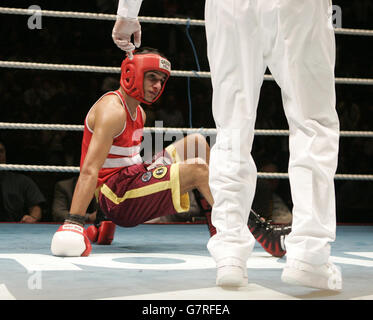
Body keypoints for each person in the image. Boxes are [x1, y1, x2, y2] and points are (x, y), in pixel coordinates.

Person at [111, 1, 342, 291]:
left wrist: (127, 12)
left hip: (229, 8)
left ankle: (230, 249)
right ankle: (311, 253)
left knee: (232, 128)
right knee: (312, 122)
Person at [50, 47, 289, 259]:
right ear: (132, 73)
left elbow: (121, 162)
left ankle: (218, 229)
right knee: (198, 170)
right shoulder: (112, 110)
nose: (157, 86)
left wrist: (104, 225)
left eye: (161, 80)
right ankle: (251, 228)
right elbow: (91, 170)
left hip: (127, 182)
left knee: (196, 143)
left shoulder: (139, 113)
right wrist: (74, 223)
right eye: (151, 77)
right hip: (116, 198)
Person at [0, 140, 46, 223]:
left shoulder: (22, 181)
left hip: (16, 230)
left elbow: (36, 208)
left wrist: (32, 217)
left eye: (1, 151)